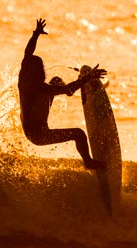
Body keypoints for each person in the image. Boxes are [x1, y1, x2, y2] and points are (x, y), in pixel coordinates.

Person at [18, 18, 106, 170]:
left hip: (32, 126)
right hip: (39, 135)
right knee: (78, 134)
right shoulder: (40, 89)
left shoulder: (23, 81)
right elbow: (66, 89)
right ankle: (88, 162)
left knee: (57, 80)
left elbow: (28, 53)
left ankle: (75, 87)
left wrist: (36, 34)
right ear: (39, 72)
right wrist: (88, 78)